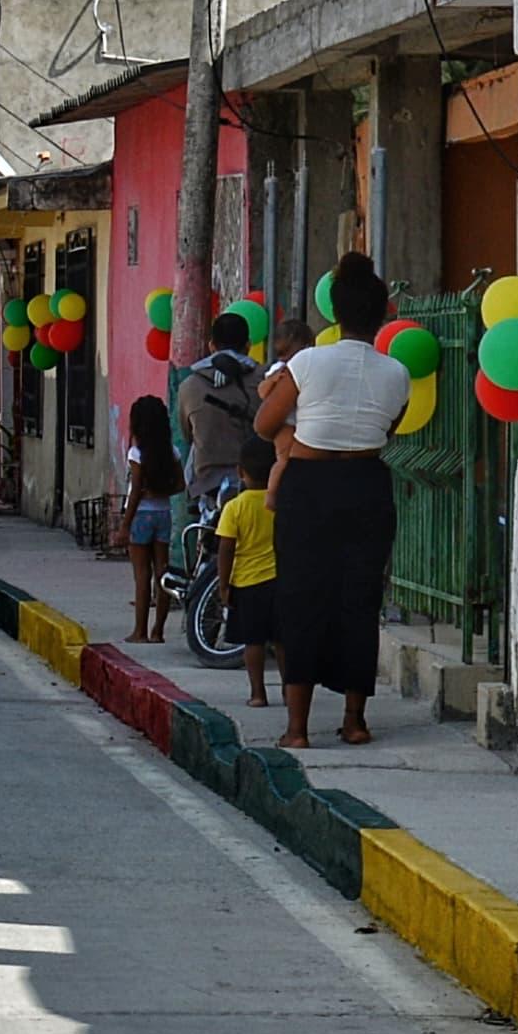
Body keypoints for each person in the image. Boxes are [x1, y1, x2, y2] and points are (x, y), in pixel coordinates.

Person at [254, 256, 410, 749]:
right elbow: (391, 426)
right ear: (382, 314)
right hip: (367, 484)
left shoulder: (307, 362)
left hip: (309, 484)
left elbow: (262, 425)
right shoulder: (397, 372)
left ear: (334, 314)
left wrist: (299, 426)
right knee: (359, 600)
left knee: (301, 597)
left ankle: (297, 729)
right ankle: (354, 720)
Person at [210, 437, 280, 710]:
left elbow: (226, 548)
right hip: (279, 581)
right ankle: (289, 689)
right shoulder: (279, 503)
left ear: (241, 471)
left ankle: (258, 693)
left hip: (247, 583)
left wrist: (224, 585)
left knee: (254, 642)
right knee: (282, 640)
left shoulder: (235, 507)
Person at [177, 306, 265, 497]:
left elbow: (188, 435)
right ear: (248, 345)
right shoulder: (264, 379)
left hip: (207, 482)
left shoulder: (188, 385)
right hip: (258, 478)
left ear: (212, 346)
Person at [124, 389, 184, 642]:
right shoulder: (172, 452)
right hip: (163, 514)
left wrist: (124, 525)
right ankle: (158, 631)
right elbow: (180, 486)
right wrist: (161, 490)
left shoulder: (137, 454)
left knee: (141, 577)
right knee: (162, 574)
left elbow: (135, 490)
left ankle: (139, 631)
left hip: (141, 517)